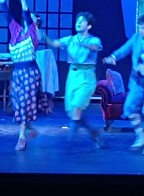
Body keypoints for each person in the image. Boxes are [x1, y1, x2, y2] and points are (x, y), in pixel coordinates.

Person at [102, 14, 144, 156]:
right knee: (129, 107)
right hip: (138, 81)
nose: (141, 31)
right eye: (139, 28)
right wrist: (113, 57)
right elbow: (124, 49)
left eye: (143, 28)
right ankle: (140, 134)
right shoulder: (136, 38)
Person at [43, 11, 103, 147]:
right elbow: (54, 43)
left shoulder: (93, 40)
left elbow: (95, 47)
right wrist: (43, 35)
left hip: (87, 76)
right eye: (77, 21)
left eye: (82, 21)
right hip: (73, 76)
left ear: (89, 26)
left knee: (77, 107)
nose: (78, 23)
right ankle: (94, 133)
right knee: (74, 113)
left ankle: (69, 142)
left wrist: (83, 43)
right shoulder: (70, 39)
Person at [0, 0, 42, 151]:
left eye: (35, 20)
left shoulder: (33, 34)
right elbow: (7, 16)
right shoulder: (16, 32)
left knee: (25, 102)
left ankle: (21, 137)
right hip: (18, 72)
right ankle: (28, 127)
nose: (33, 20)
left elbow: (27, 16)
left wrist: (23, 0)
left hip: (29, 73)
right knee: (18, 103)